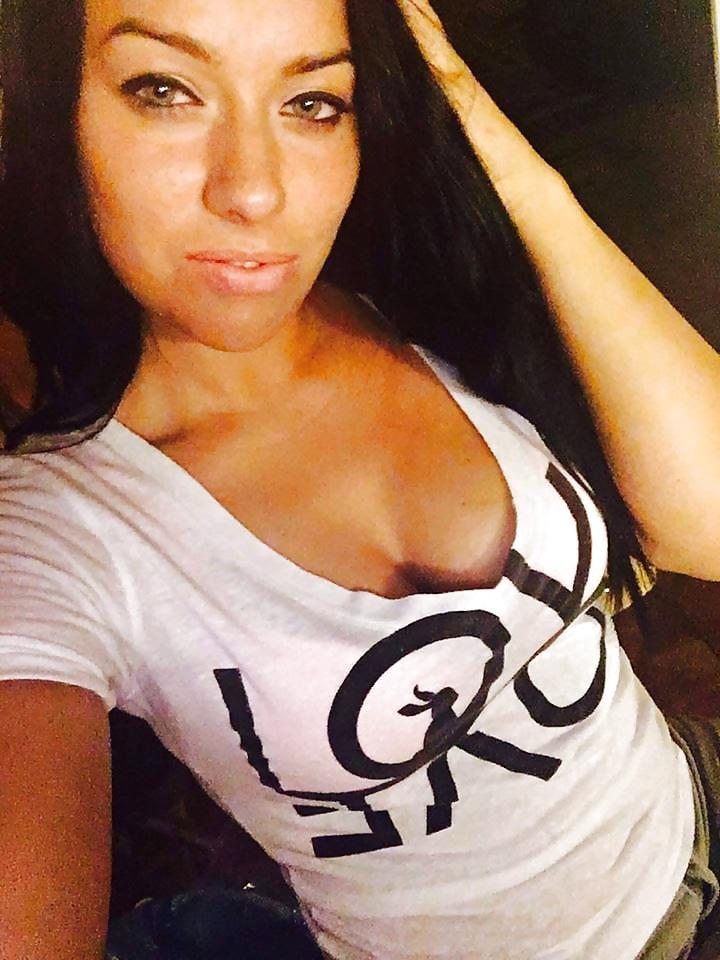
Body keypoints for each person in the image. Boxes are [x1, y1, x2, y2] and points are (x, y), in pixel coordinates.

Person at [0, 0, 719, 958]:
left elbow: (709, 526)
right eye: (164, 90)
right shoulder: (59, 528)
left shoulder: (423, 290)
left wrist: (495, 147)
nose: (254, 192)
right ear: (54, 112)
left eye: (312, 103)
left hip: (690, 813)